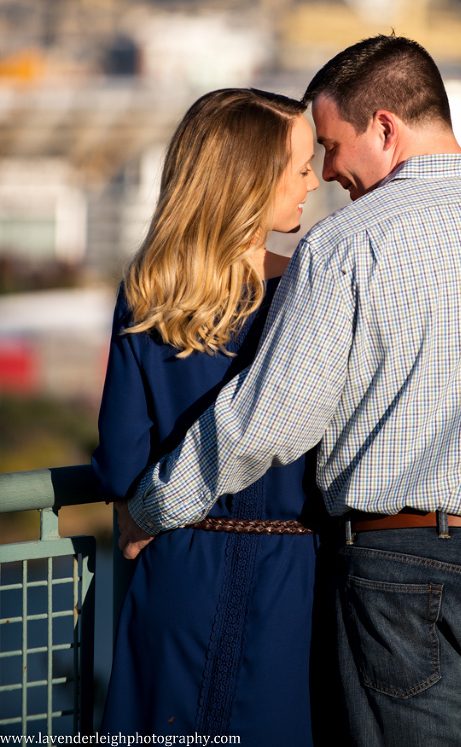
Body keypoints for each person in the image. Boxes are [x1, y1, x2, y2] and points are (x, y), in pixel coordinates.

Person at [120, 36, 461, 747]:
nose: (323, 171)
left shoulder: (345, 245)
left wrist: (153, 505)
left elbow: (268, 421)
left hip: (394, 574)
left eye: (330, 143)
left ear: (385, 126)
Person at [91, 87, 322, 741]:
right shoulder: (311, 287)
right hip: (293, 582)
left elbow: (120, 465)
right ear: (252, 180)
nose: (315, 179)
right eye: (300, 166)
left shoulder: (147, 292)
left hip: (175, 567)